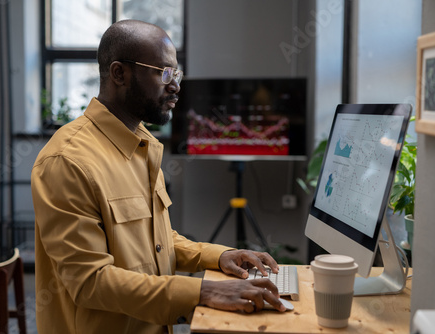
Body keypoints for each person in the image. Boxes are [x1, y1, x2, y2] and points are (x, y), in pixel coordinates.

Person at [31, 19, 285, 334]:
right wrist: (203, 291)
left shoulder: (144, 145)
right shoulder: (67, 162)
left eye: (176, 73)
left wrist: (218, 256)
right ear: (119, 74)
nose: (175, 85)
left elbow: (157, 242)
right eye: (163, 72)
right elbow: (90, 282)